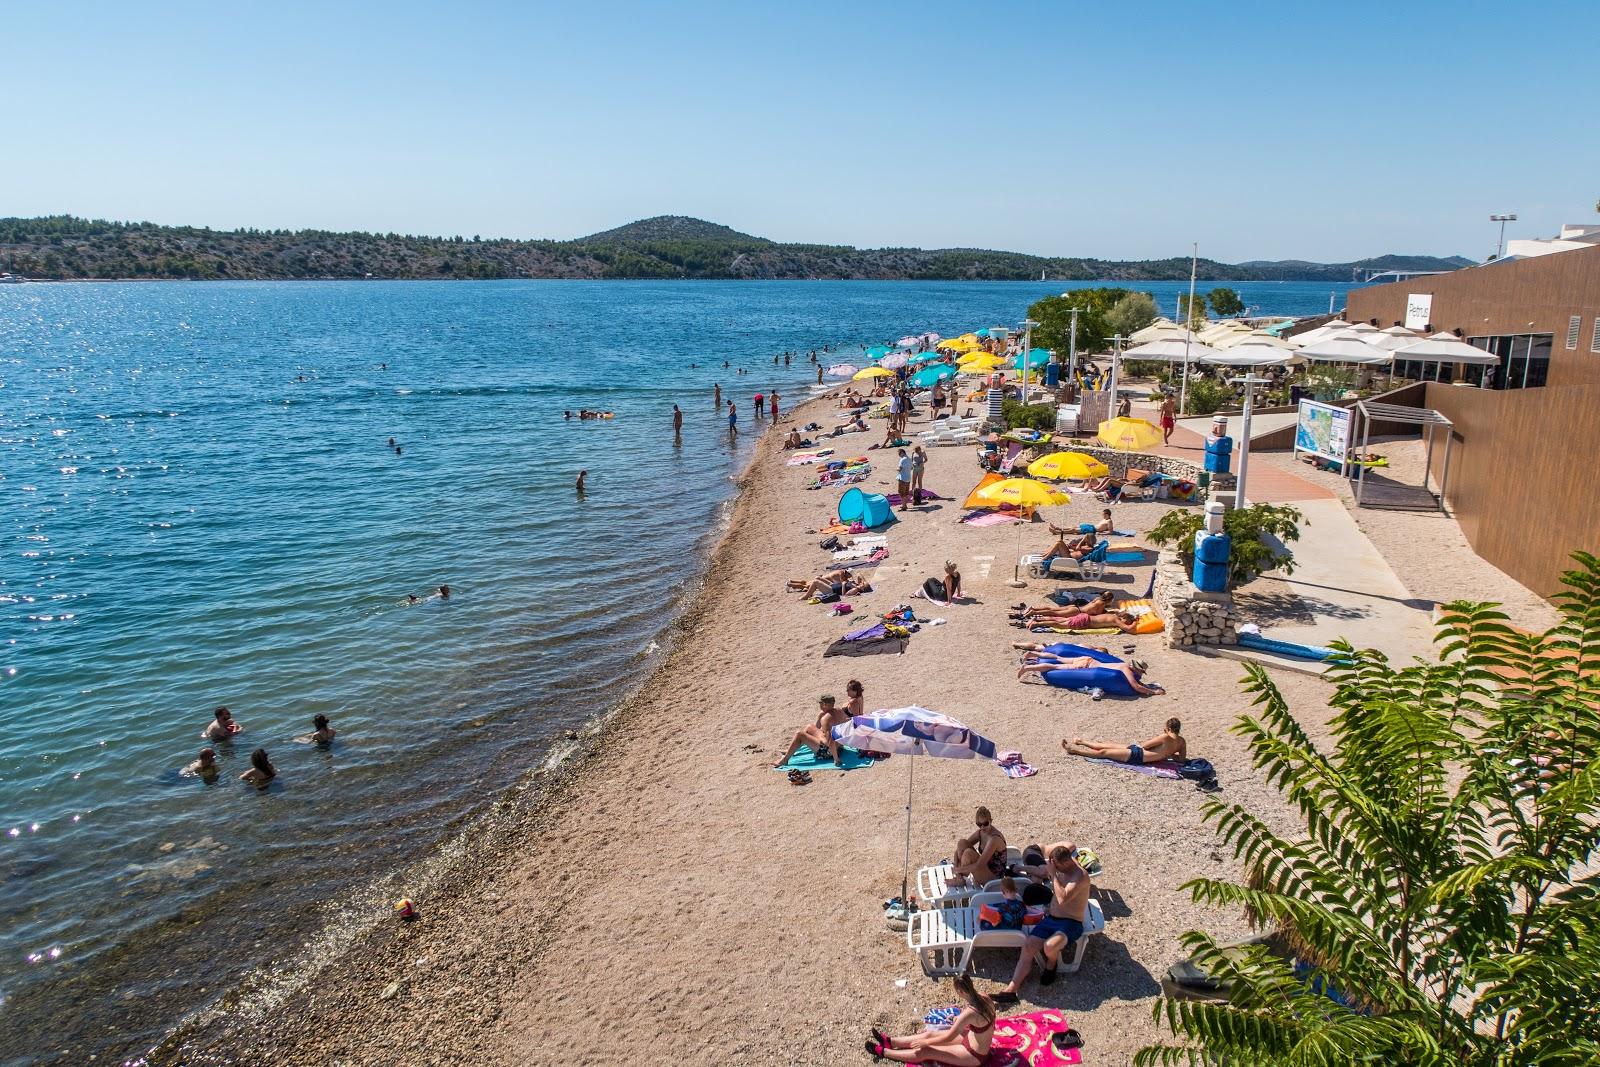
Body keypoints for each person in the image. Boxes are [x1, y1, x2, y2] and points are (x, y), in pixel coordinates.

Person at [993, 844, 1092, 1003]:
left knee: (1049, 947)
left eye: (1056, 866)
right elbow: (1042, 871)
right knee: (1028, 945)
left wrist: (1053, 875)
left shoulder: (1080, 876)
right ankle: (1011, 989)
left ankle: (1051, 964)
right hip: (1051, 919)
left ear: (1065, 863)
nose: (1053, 868)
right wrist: (1018, 868)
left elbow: (1062, 898)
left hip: (1071, 922)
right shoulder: (1060, 867)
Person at [867, 973, 996, 1064]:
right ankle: (890, 1041)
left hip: (974, 1055)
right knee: (929, 1034)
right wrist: (959, 1018)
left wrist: (926, 1043)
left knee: (926, 1051)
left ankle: (883, 1052)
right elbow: (980, 1020)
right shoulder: (984, 996)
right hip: (971, 1038)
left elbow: (949, 1037)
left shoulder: (968, 1013)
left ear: (959, 991)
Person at [1019, 651, 1162, 692]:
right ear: (1137, 669)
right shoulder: (1126, 669)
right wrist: (1152, 691)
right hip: (1086, 668)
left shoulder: (1123, 663)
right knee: (1055, 667)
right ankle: (1027, 668)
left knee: (1058, 657)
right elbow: (1135, 686)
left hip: (1087, 659)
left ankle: (1033, 654)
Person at [1065, 718, 1186, 764]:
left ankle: (1076, 749)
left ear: (1168, 728)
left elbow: (1145, 745)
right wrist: (1167, 754)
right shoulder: (1182, 742)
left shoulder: (1165, 737)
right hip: (1138, 753)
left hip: (1137, 755)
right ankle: (1081, 742)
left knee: (1103, 751)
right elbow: (1181, 759)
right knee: (1105, 748)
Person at [774, 694, 850, 767]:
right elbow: (847, 723)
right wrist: (820, 716)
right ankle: (790, 750)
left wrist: (836, 759)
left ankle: (785, 760)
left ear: (824, 704)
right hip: (840, 746)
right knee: (809, 727)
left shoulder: (826, 719)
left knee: (799, 734)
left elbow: (831, 740)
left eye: (820, 703)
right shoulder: (839, 711)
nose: (819, 705)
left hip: (829, 752)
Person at [951, 806, 1008, 887]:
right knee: (962, 842)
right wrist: (956, 868)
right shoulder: (981, 832)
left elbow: (979, 865)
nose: (982, 827)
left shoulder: (994, 839)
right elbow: (958, 850)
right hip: (985, 869)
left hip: (994, 878)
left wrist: (957, 869)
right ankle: (960, 878)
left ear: (991, 821)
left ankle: (960, 878)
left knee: (968, 854)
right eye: (979, 824)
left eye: (985, 824)